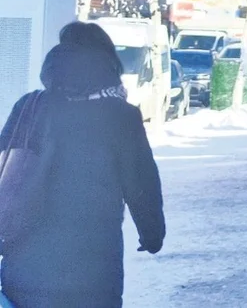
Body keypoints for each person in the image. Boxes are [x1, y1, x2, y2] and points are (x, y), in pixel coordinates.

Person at [0, 22, 165, 308]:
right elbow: (141, 183)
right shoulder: (120, 116)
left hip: (25, 263)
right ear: (106, 63)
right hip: (93, 268)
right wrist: (152, 232)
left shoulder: (29, 106)